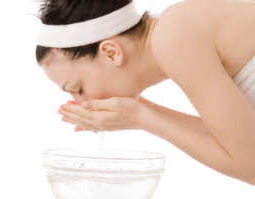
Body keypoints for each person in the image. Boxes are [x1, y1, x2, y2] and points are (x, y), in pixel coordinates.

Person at [35, 0, 255, 185]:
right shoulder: (176, 28)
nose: (81, 102)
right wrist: (142, 111)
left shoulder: (174, 38)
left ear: (111, 53)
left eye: (78, 89)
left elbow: (250, 163)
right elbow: (239, 139)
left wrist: (144, 118)